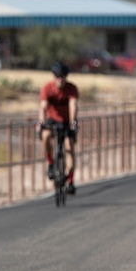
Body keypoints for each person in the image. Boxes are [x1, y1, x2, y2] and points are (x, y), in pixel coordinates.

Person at [38, 62, 79, 194]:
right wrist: (41, 121)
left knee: (69, 146)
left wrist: (73, 121)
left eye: (62, 76)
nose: (60, 80)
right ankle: (50, 162)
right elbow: (43, 106)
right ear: (54, 77)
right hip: (52, 120)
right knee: (45, 136)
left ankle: (70, 180)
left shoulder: (71, 88)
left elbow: (73, 104)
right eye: (57, 76)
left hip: (67, 121)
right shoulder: (47, 88)